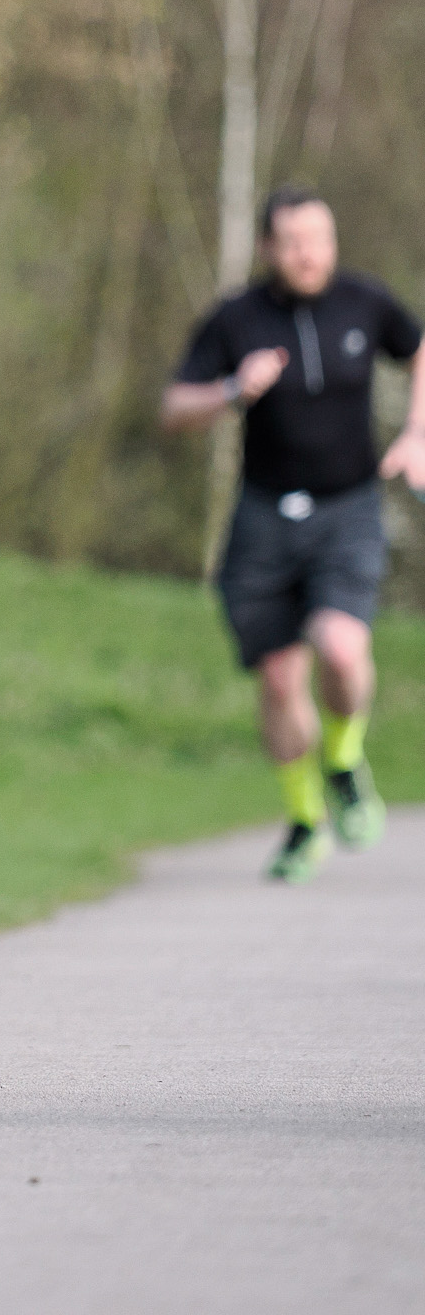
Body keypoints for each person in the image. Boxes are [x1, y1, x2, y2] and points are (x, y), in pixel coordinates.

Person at [162, 185, 425, 882]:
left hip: (350, 508)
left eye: (321, 238)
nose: (311, 254)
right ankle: (305, 820)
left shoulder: (366, 303)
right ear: (268, 248)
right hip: (263, 517)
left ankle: (343, 760)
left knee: (341, 647)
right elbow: (174, 407)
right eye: (295, 242)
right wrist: (230, 392)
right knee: (280, 681)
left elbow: (420, 346)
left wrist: (419, 431)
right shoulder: (236, 320)